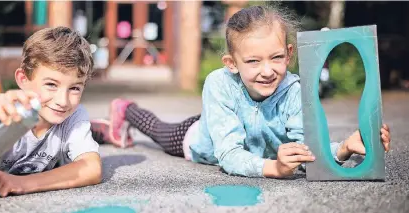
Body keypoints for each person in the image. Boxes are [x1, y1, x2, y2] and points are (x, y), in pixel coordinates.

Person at [90, 5, 391, 178]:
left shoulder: (295, 91)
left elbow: (307, 146)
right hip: (200, 138)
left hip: (235, 125)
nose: (267, 70)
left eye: (275, 58)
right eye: (253, 61)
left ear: (289, 54)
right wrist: (273, 167)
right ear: (231, 63)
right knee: (156, 130)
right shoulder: (219, 84)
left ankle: (116, 121)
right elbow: (229, 155)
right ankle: (124, 109)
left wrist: (342, 148)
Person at [0, 27, 102, 197]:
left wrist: (23, 183)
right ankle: (100, 129)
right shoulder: (9, 110)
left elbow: (91, 167)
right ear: (23, 80)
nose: (63, 101)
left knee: (81, 129)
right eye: (51, 84)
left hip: (71, 129)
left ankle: (100, 130)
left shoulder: (73, 116)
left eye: (75, 88)